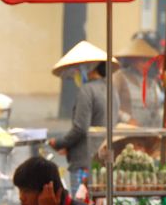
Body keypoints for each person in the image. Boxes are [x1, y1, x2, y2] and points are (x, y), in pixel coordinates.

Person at [47, 41, 119, 192]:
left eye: (77, 70)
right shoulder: (111, 90)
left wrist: (59, 143)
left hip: (85, 163)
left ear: (89, 68)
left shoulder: (87, 91)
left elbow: (80, 128)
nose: (76, 74)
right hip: (104, 160)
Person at [114, 37, 162, 128]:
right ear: (133, 61)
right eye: (143, 61)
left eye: (148, 61)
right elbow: (109, 105)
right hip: (127, 131)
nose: (146, 64)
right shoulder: (119, 77)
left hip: (149, 131)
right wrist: (127, 119)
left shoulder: (152, 82)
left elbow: (156, 110)